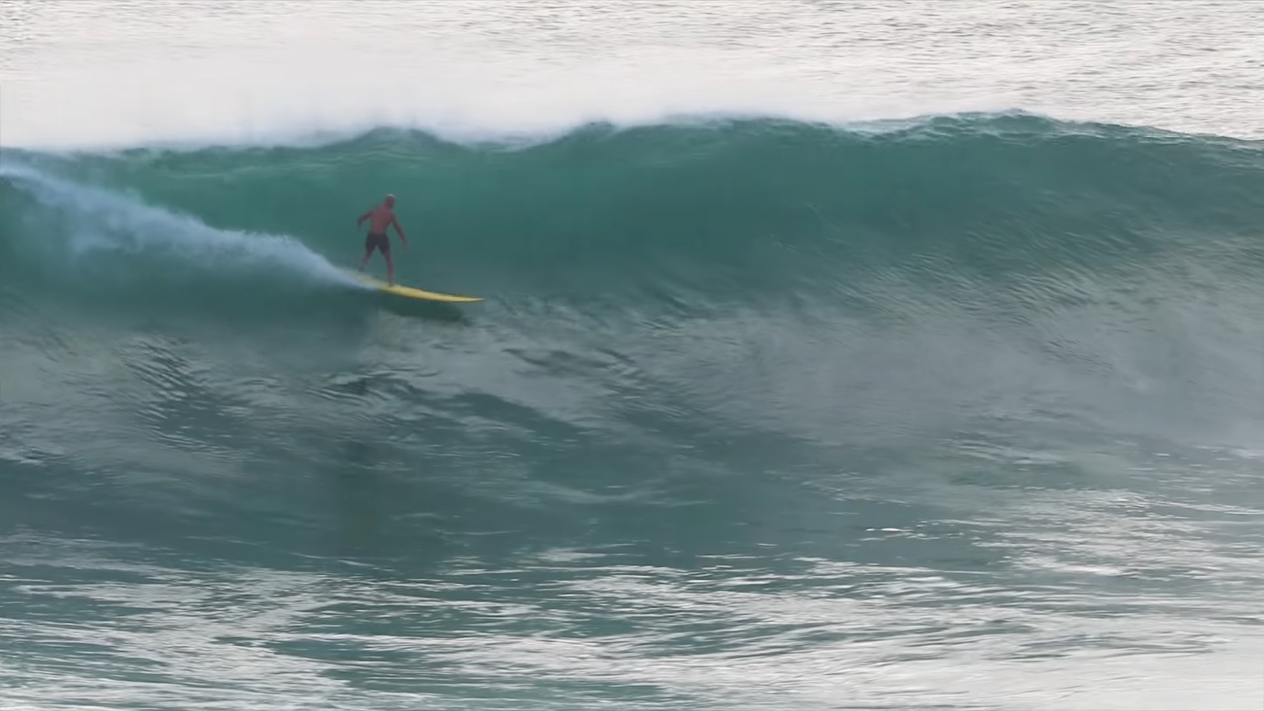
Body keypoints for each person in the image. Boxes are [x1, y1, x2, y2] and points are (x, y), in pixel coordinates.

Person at [357, 194, 409, 286]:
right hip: (381, 237)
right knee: (389, 259)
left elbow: (362, 218)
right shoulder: (390, 213)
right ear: (389, 201)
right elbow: (398, 228)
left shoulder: (375, 209)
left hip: (371, 235)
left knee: (367, 254)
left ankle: (361, 269)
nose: (394, 204)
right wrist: (404, 240)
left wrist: (359, 224)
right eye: (393, 202)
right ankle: (391, 282)